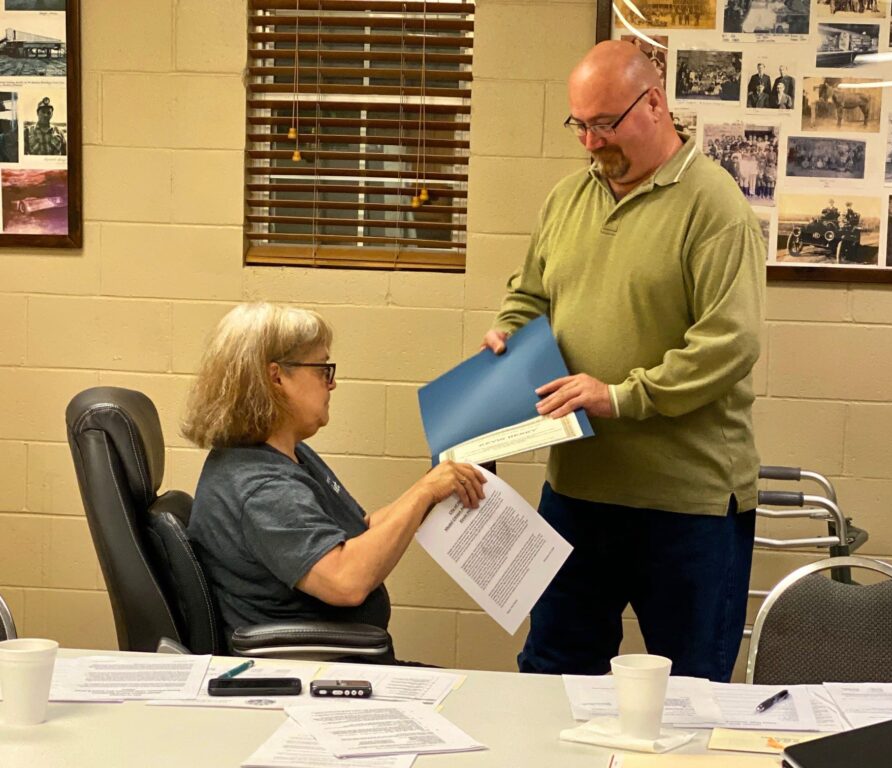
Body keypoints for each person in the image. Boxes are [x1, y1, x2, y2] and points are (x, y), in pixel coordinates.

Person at [481, 41, 762, 681]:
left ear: (655, 103)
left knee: (690, 690)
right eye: (579, 125)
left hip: (686, 507)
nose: (591, 143)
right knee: (553, 675)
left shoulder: (715, 206)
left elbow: (730, 341)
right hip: (577, 493)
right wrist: (509, 336)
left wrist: (620, 397)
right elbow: (529, 295)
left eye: (605, 124)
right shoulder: (566, 200)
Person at [183, 303, 486, 656]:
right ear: (276, 378)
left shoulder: (287, 454)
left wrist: (431, 491)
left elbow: (361, 529)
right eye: (323, 370)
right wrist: (424, 493)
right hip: (318, 671)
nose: (333, 383)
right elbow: (345, 581)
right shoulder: (262, 488)